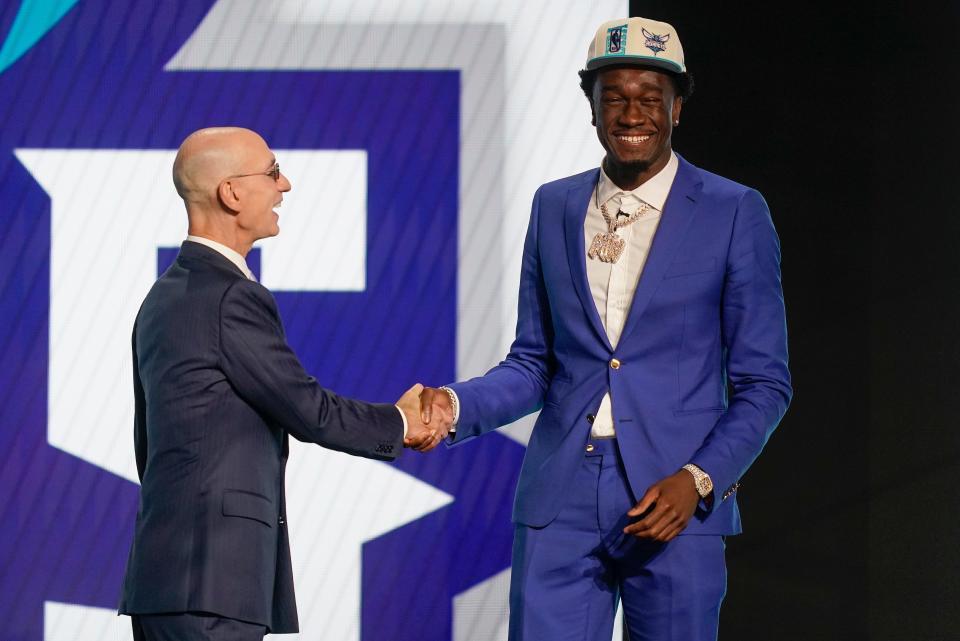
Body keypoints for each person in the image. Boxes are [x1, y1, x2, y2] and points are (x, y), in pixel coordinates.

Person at [419, 17, 791, 641]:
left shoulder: (734, 211)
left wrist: (698, 480)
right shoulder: (554, 205)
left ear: (678, 107)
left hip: (673, 501)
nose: (632, 112)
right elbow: (535, 363)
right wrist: (453, 405)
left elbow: (765, 383)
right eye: (614, 97)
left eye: (651, 97)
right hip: (560, 495)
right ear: (590, 106)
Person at [118, 127, 442, 640]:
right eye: (271, 172)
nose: (284, 184)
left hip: (170, 581)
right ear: (231, 193)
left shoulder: (164, 297)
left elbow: (150, 447)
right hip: (212, 585)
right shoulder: (228, 297)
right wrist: (401, 422)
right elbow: (306, 408)